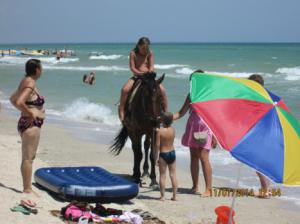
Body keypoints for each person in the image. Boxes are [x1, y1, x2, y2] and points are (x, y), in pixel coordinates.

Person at [173, 70, 217, 197]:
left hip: (203, 129)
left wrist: (214, 135)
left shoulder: (208, 95)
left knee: (203, 157)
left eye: (195, 80)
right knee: (193, 156)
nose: (192, 83)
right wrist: (169, 117)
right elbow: (181, 112)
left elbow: (214, 116)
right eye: (191, 81)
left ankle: (208, 189)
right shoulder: (191, 94)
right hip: (193, 127)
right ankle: (195, 186)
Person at [10, 59, 45, 196]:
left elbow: (12, 99)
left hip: (26, 123)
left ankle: (27, 187)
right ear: (37, 70)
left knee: (29, 157)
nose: (42, 70)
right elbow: (19, 101)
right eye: (41, 68)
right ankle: (27, 189)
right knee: (28, 158)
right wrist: (31, 113)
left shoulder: (25, 81)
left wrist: (26, 112)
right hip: (31, 125)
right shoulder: (30, 82)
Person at [118, 37, 168, 122]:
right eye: (143, 47)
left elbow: (151, 66)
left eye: (147, 47)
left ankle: (166, 113)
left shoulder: (150, 53)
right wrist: (141, 74)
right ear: (138, 46)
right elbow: (132, 68)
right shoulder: (133, 53)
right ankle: (122, 110)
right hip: (137, 76)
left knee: (163, 90)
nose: (145, 49)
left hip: (149, 76)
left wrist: (149, 72)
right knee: (125, 89)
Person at [248, 74, 271, 197]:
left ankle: (265, 189)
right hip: (265, 132)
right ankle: (266, 188)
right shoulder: (266, 97)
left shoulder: (257, 98)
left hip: (258, 133)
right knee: (261, 163)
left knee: (257, 164)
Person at [155, 112, 178, 201]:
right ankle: (175, 196)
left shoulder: (160, 131)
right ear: (172, 121)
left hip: (163, 154)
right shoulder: (173, 130)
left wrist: (156, 157)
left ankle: (163, 196)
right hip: (172, 153)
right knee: (173, 175)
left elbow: (157, 145)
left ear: (162, 121)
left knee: (162, 175)